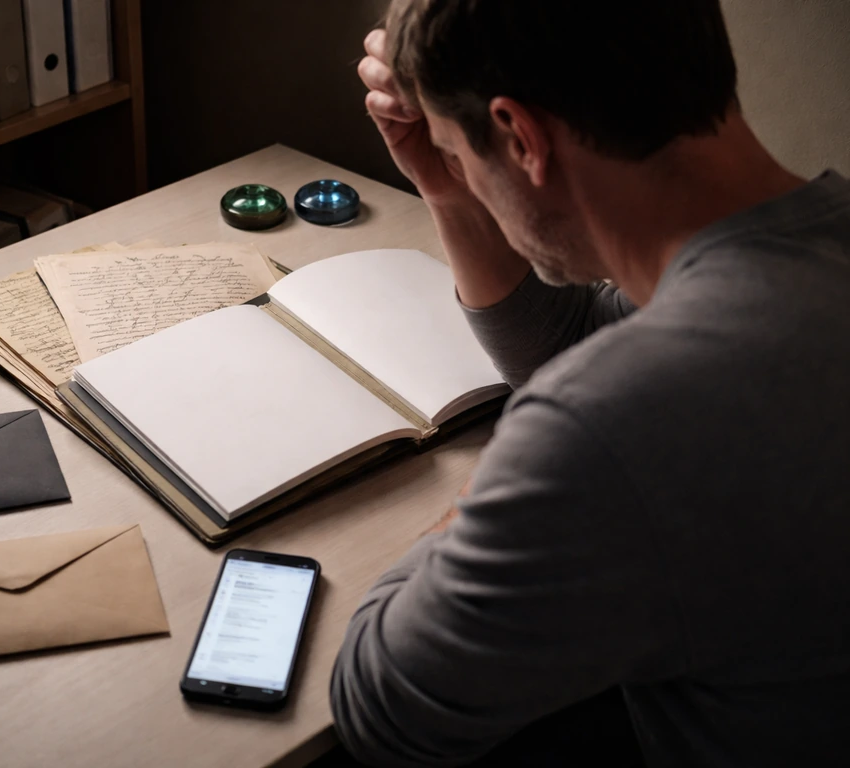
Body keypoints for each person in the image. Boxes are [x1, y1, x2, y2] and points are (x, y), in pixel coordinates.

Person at [329, 1, 850, 766]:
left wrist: (487, 500)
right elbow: (573, 342)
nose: (460, 173)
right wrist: (457, 195)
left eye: (459, 154)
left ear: (519, 137)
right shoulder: (807, 259)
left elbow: (381, 705)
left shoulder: (613, 427)